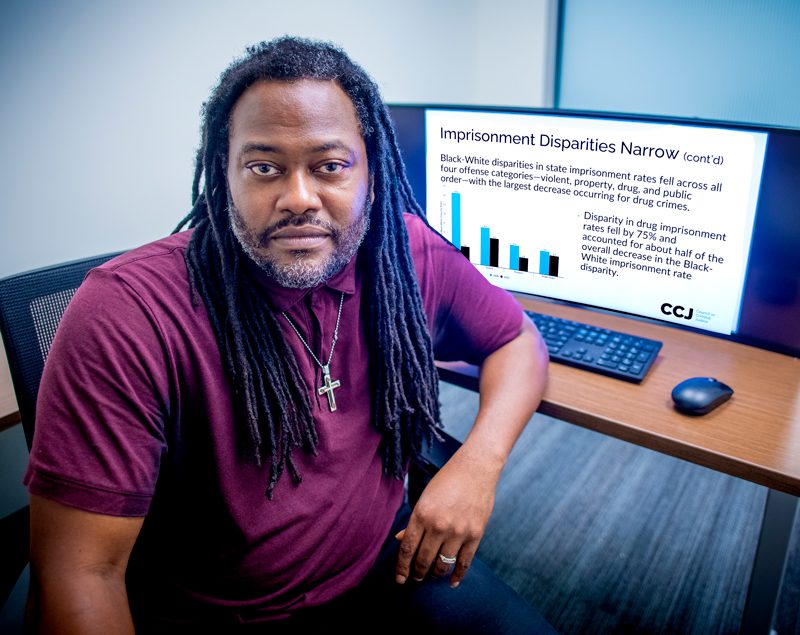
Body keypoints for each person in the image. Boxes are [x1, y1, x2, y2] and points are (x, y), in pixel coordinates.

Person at [24, 36, 552, 633]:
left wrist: (478, 465)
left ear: (371, 175)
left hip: (387, 568)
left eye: (330, 166)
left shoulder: (404, 253)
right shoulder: (127, 312)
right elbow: (81, 572)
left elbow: (518, 342)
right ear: (223, 178)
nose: (299, 198)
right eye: (264, 167)